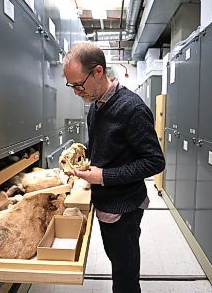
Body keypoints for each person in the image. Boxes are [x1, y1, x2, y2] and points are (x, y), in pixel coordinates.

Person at [63, 42, 165, 293]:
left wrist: (104, 176)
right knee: (116, 260)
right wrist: (83, 150)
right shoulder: (96, 106)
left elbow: (154, 161)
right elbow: (105, 143)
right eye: (71, 86)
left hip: (125, 208)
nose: (76, 91)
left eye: (78, 84)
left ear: (98, 71)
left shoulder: (132, 108)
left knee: (125, 275)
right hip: (105, 203)